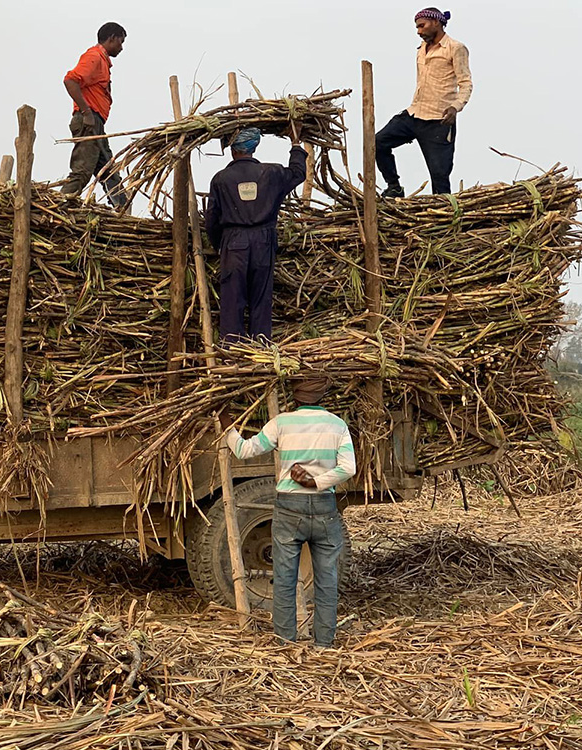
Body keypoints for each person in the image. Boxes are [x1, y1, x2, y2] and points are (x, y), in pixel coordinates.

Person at [224, 376, 356, 647]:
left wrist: (227, 424)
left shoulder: (281, 423)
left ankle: (285, 642)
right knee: (327, 579)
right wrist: (316, 482)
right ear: (322, 397)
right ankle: (323, 644)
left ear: (295, 398)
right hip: (324, 507)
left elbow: (244, 450)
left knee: (285, 578)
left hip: (289, 508)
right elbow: (348, 468)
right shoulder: (337, 425)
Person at [204, 127, 306, 341]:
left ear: (233, 150)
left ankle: (232, 347)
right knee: (261, 297)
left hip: (234, 243)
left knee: (233, 299)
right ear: (254, 147)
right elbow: (298, 173)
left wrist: (219, 245)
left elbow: (211, 219)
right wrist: (295, 145)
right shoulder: (272, 173)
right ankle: (261, 345)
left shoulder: (221, 179)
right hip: (263, 241)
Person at [376, 8, 473, 197]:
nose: (419, 31)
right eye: (417, 28)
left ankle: (443, 210)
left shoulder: (455, 48)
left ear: (436, 23)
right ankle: (394, 186)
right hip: (414, 114)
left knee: (439, 175)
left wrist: (455, 107)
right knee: (377, 142)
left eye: (422, 26)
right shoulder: (421, 49)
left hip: (439, 120)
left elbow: (466, 83)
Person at [61, 22, 129, 210]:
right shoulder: (94, 56)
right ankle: (59, 205)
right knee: (82, 171)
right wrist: (86, 112)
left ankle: (122, 210)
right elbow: (70, 81)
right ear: (112, 38)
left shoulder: (103, 61)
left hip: (96, 123)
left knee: (109, 171)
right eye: (121, 42)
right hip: (88, 121)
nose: (121, 47)